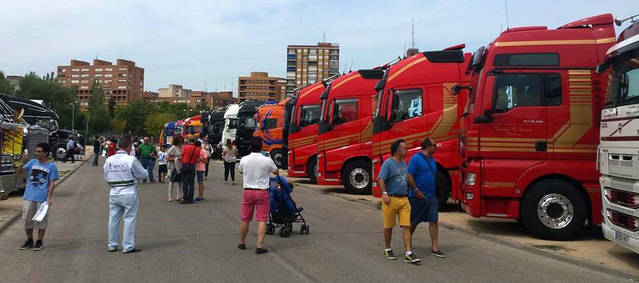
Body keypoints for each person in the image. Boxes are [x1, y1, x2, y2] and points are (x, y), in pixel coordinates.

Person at [377, 139, 420, 264]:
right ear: (398, 151)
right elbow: (381, 179)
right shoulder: (388, 164)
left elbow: (407, 178)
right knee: (389, 227)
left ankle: (408, 252)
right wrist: (384, 193)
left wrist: (415, 189)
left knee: (407, 225)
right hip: (391, 199)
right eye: (405, 148)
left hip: (404, 198)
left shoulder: (403, 163)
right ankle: (388, 248)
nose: (406, 150)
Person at [103, 137, 147, 253]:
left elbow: (106, 176)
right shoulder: (131, 159)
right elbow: (142, 174)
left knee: (113, 219)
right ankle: (128, 245)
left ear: (118, 146)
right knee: (129, 219)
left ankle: (112, 244)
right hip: (129, 192)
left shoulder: (109, 160)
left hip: (114, 192)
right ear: (129, 147)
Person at [238, 138, 278, 255]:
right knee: (262, 219)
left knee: (245, 218)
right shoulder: (267, 160)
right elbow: (276, 171)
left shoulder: (244, 159)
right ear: (261, 147)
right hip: (262, 192)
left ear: (250, 147)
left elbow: (240, 171)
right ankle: (259, 246)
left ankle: (242, 242)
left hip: (248, 191)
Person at [408, 138, 445, 258]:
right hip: (418, 196)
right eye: (434, 145)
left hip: (431, 196)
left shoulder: (432, 160)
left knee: (434, 220)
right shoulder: (415, 159)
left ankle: (435, 247)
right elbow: (410, 175)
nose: (436, 147)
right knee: (413, 222)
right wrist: (416, 190)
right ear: (428, 146)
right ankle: (408, 244)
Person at [17, 143, 59, 251]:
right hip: (29, 196)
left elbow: (52, 183)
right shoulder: (32, 163)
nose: (37, 153)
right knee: (27, 220)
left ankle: (39, 241)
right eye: (36, 151)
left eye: (39, 151)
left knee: (41, 221)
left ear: (46, 153)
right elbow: (19, 173)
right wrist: (22, 162)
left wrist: (49, 198)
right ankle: (29, 240)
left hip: (42, 197)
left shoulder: (52, 166)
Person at [180, 139, 199, 204]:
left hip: (185, 165)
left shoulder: (185, 147)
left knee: (185, 183)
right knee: (191, 184)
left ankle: (185, 198)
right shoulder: (197, 149)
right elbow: (197, 159)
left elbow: (182, 155)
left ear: (189, 142)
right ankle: (191, 199)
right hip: (192, 166)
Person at [167, 136, 184, 202]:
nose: (181, 143)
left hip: (181, 166)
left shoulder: (182, 147)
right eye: (180, 142)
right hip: (174, 167)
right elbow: (168, 158)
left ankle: (179, 196)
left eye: (181, 141)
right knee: (172, 181)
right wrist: (175, 159)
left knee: (180, 182)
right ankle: (170, 196)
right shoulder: (173, 148)